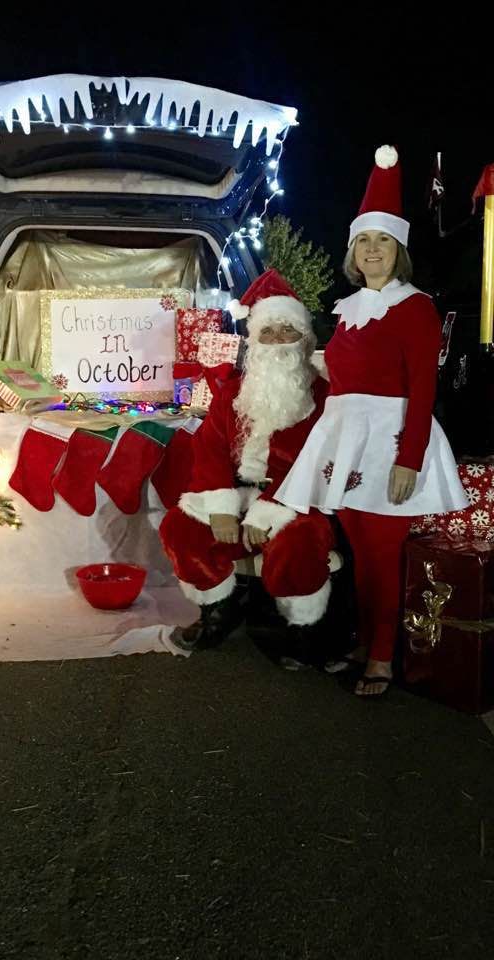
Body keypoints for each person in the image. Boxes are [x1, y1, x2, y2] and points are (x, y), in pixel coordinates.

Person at [275, 146, 468, 697]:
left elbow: (423, 388)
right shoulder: (347, 309)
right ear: (353, 249)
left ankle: (383, 655)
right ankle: (368, 641)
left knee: (384, 556)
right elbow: (341, 377)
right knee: (361, 554)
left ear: (399, 250)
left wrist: (410, 458)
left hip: (389, 443)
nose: (373, 249)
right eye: (365, 239)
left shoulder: (416, 307)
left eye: (384, 240)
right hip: (347, 445)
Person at [160, 269, 336, 665]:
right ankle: (218, 610)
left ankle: (302, 628)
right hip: (236, 493)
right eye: (267, 332)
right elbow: (210, 448)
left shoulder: (322, 395)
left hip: (297, 500)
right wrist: (221, 506)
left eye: (286, 331)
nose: (276, 340)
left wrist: (271, 510)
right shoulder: (236, 391)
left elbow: (319, 460)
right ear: (253, 340)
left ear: (305, 339)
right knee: (179, 528)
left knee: (298, 543)